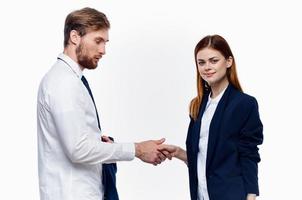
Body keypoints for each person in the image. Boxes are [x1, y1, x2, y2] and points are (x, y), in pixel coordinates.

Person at [37, 7, 168, 200]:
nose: (103, 50)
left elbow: (75, 141)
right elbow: (78, 149)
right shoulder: (64, 82)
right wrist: (137, 149)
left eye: (105, 43)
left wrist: (98, 141)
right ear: (75, 37)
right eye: (97, 41)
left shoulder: (70, 79)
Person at [159, 35, 263, 200]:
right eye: (201, 62)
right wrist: (179, 153)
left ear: (228, 62)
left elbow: (249, 154)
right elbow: (206, 158)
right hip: (201, 194)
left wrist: (251, 196)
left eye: (213, 61)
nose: (207, 67)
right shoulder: (198, 105)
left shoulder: (244, 104)